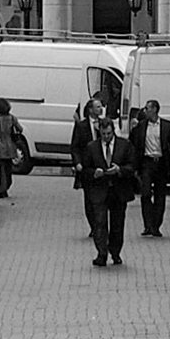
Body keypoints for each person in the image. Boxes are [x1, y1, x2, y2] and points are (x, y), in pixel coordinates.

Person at [83, 113, 139, 267]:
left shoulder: (124, 145)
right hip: (99, 191)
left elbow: (132, 166)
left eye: (108, 134)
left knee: (117, 224)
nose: (106, 137)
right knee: (99, 223)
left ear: (113, 131)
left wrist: (119, 170)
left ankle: (115, 252)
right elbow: (85, 170)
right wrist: (94, 173)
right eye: (103, 134)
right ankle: (101, 253)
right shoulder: (92, 147)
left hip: (118, 190)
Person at [130, 97, 170, 237]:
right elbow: (133, 143)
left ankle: (156, 225)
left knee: (160, 195)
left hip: (161, 162)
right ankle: (148, 224)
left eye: (147, 108)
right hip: (147, 163)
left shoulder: (167, 126)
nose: (145, 111)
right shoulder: (141, 126)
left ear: (155, 109)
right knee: (145, 193)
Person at [70, 96, 105, 236]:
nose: (101, 109)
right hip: (87, 166)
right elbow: (75, 146)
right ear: (90, 110)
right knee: (89, 198)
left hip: (101, 165)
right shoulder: (81, 126)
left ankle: (101, 224)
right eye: (98, 106)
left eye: (101, 106)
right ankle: (93, 226)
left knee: (101, 197)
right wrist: (77, 162)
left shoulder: (104, 123)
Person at [0, 96, 22, 206]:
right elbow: (20, 129)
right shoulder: (12, 118)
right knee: (8, 168)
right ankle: (6, 186)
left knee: (1, 169)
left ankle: (2, 189)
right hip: (10, 146)